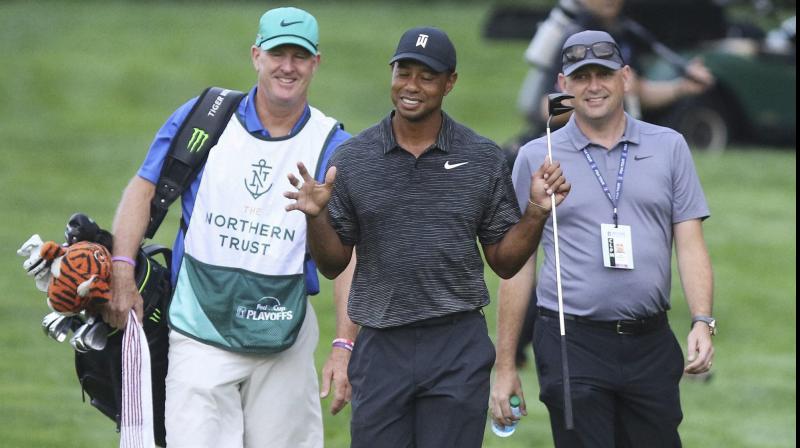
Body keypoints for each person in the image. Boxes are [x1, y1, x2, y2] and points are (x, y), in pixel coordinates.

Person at [284, 26, 570, 448]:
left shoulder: (481, 157)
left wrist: (535, 213)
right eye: (403, 71)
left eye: (427, 76)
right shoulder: (354, 159)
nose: (411, 86)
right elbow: (332, 264)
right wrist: (317, 218)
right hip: (381, 345)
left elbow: (505, 261)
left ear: (450, 82)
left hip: (455, 345)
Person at [102, 7, 355, 447]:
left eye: (300, 55)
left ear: (316, 63)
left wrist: (344, 345)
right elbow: (143, 189)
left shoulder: (334, 144)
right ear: (256, 55)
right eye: (278, 53)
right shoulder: (205, 117)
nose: (288, 66)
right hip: (199, 331)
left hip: (285, 336)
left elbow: (353, 254)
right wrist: (122, 271)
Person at [491, 30, 716, 447]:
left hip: (650, 340)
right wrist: (505, 366)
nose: (593, 86)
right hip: (570, 340)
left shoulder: (669, 147)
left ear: (625, 78)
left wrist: (702, 320)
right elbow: (518, 264)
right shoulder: (537, 158)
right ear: (563, 85)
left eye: (604, 74)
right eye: (581, 77)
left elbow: (689, 241)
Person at [510, 0, 716, 368]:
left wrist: (681, 87)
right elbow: (538, 104)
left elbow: (635, 90)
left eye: (605, 75)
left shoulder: (626, 30)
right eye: (583, 76)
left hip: (627, 150)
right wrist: (595, 104)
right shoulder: (567, 29)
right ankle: (522, 345)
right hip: (567, 151)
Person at [517, 0, 715, 138]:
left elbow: (638, 90)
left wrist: (681, 88)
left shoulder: (624, 34)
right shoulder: (573, 39)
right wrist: (599, 93)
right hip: (565, 144)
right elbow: (547, 108)